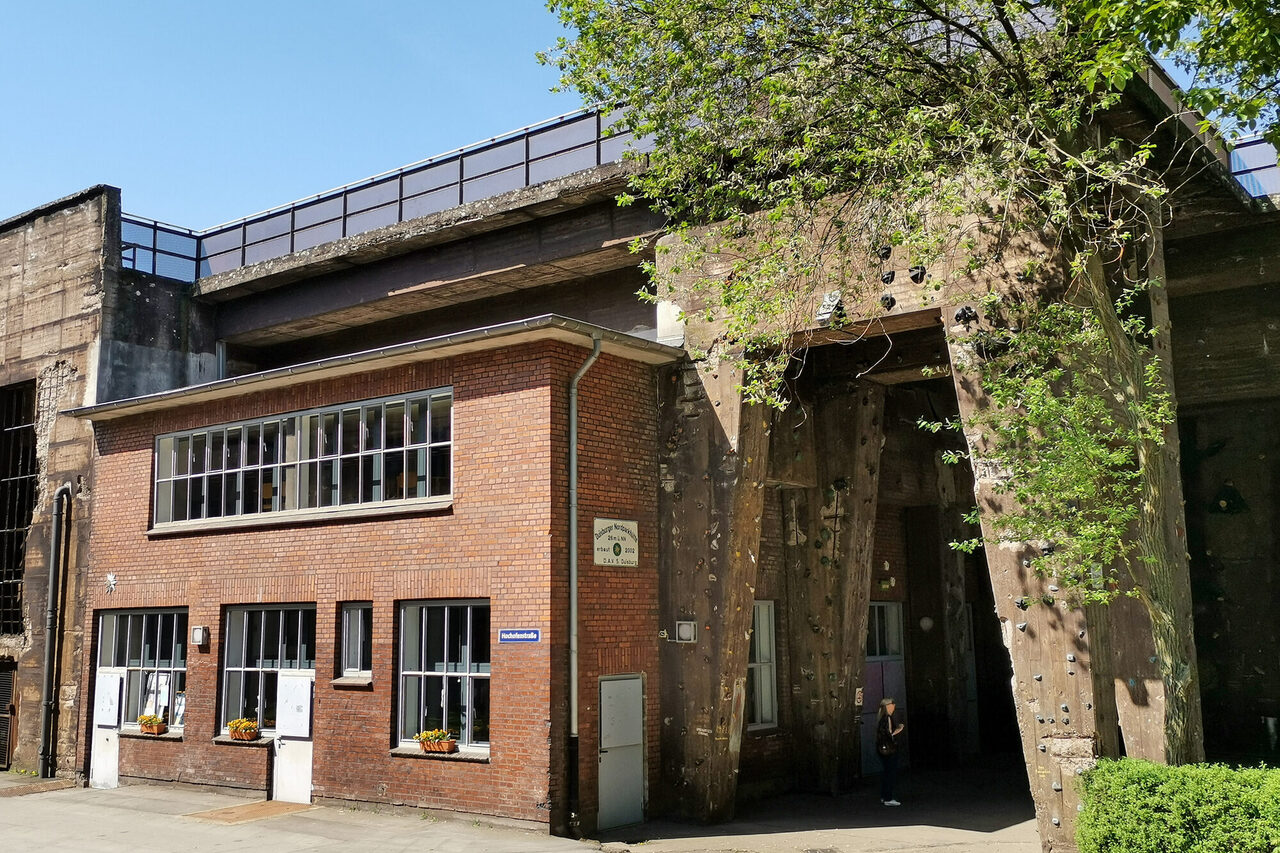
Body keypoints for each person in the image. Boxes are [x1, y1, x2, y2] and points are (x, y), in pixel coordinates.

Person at [876, 696, 905, 806]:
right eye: (892, 705)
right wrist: (899, 729)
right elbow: (889, 733)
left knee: (887, 772)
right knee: (890, 773)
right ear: (888, 706)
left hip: (882, 748)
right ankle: (888, 797)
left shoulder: (881, 718)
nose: (894, 707)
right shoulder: (887, 718)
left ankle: (884, 796)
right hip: (889, 748)